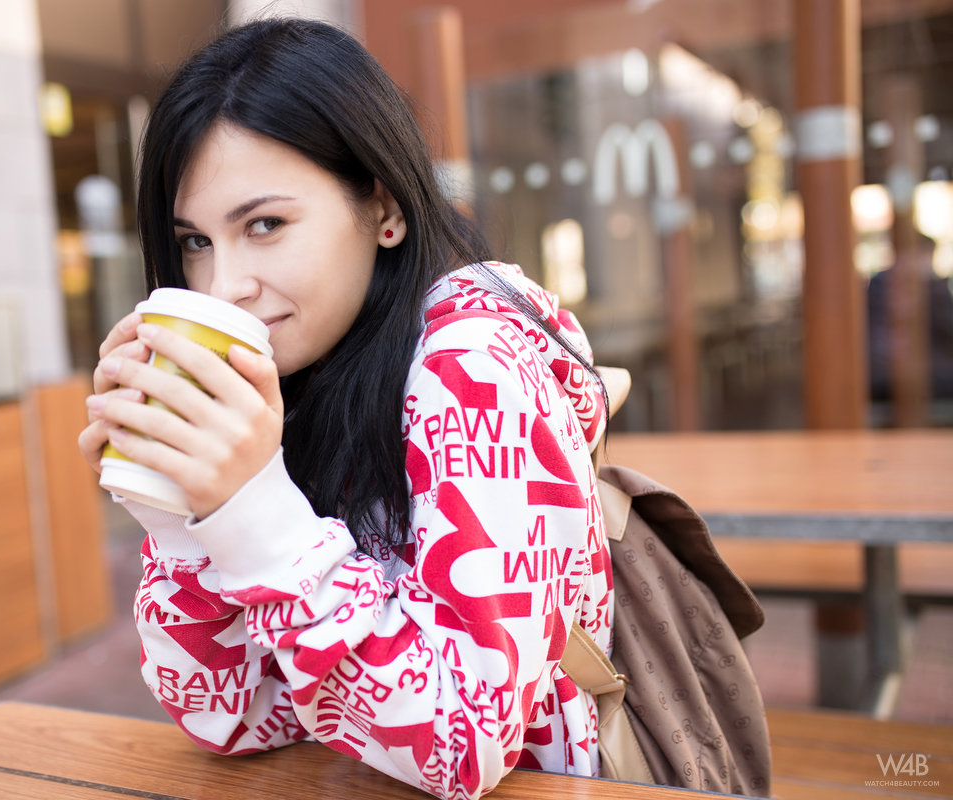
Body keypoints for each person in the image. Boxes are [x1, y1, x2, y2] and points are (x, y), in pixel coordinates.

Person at [78, 17, 612, 800]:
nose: (224, 287)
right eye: (196, 242)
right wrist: (183, 517)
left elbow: (462, 746)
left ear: (384, 208)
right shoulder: (307, 372)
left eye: (265, 225)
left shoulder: (475, 367)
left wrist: (255, 513)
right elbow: (233, 719)